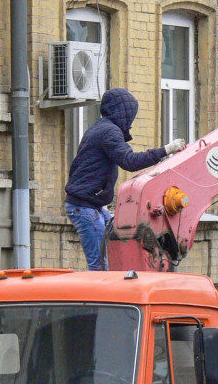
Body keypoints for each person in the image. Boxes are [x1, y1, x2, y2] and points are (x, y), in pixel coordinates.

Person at [65, 88, 185, 270]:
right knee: (100, 266)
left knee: (117, 245)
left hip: (91, 206)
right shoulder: (109, 132)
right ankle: (102, 298)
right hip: (85, 207)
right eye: (131, 115)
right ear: (122, 113)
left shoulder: (101, 128)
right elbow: (129, 161)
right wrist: (166, 150)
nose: (131, 121)